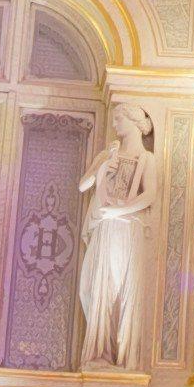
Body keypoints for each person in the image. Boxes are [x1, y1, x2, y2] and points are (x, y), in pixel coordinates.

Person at [73, 110, 158, 368]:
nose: (114, 123)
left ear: (134, 123)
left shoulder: (146, 158)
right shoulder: (106, 155)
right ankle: (99, 352)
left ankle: (118, 356)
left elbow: (150, 195)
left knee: (119, 290)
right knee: (93, 286)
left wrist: (119, 210)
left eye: (119, 119)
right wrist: (102, 165)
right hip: (104, 228)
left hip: (126, 229)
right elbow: (83, 185)